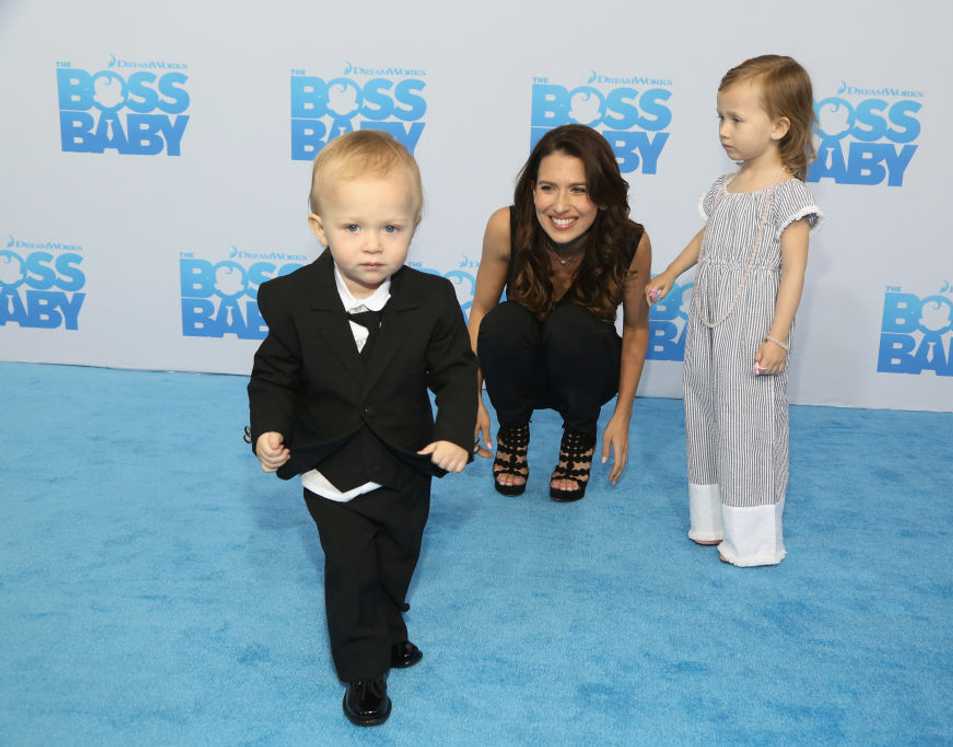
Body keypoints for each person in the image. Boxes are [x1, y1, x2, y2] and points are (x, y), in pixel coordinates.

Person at [246, 130, 476, 726]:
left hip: (406, 462)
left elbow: (456, 373)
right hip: (331, 467)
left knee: (397, 558)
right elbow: (272, 375)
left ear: (414, 225)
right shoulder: (291, 299)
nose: (372, 245)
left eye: (390, 229)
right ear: (320, 228)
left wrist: (455, 433)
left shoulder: (431, 299)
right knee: (350, 570)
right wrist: (268, 430)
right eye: (352, 228)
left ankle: (388, 623)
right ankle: (363, 669)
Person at [646, 55, 822, 567]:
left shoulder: (789, 198)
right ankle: (711, 521)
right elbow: (709, 236)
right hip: (708, 323)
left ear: (779, 126)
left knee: (749, 427)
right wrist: (671, 272)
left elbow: (793, 273)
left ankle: (753, 539)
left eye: (737, 120)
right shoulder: (725, 189)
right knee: (704, 414)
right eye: (720, 118)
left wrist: (779, 336)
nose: (724, 131)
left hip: (751, 334)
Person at [468, 124, 652, 501]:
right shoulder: (506, 226)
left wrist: (622, 416)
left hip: (586, 373)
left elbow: (635, 329)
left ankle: (578, 436)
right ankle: (513, 433)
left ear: (601, 194)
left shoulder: (630, 242)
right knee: (505, 321)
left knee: (573, 324)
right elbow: (482, 309)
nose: (560, 206)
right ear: (532, 188)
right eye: (548, 187)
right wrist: (470, 399)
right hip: (522, 371)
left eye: (579, 190)